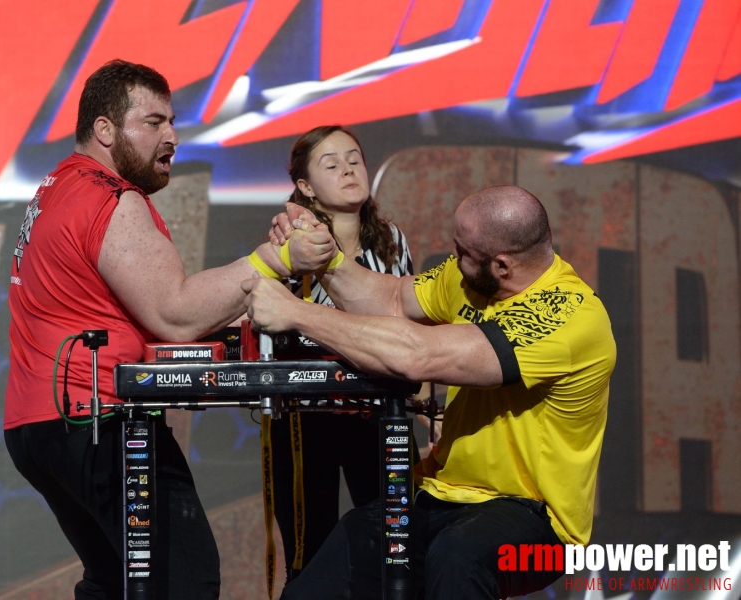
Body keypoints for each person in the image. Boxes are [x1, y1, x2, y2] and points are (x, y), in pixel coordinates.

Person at [4, 59, 333, 600]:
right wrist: (276, 259)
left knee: (116, 580)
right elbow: (175, 315)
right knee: (184, 580)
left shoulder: (59, 186)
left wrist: (257, 312)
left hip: (41, 427)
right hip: (100, 421)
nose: (173, 137)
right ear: (105, 130)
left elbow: (141, 314)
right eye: (153, 122)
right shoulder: (111, 198)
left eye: (172, 122)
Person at [244, 185, 616, 599]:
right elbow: (391, 300)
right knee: (353, 542)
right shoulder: (476, 279)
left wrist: (295, 313)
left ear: (502, 265)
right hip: (442, 495)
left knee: (459, 554)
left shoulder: (568, 316)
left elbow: (417, 356)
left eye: (462, 252)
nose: (453, 259)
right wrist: (326, 256)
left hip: (536, 519)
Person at [270, 125, 414, 582]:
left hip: (380, 408)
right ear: (306, 186)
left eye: (354, 158)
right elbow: (270, 317)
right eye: (331, 164)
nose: (349, 169)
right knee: (309, 552)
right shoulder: (290, 237)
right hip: (305, 415)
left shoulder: (391, 237)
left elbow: (411, 328)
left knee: (399, 542)